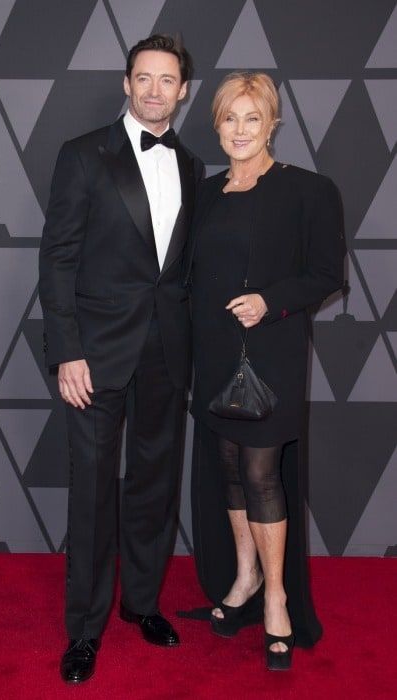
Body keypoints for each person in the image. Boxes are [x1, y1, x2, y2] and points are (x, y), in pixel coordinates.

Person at [39, 34, 203, 684]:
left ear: (183, 89)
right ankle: (85, 629)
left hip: (166, 350)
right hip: (96, 356)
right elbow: (57, 259)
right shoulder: (83, 156)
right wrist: (67, 351)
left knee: (154, 488)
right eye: (144, 78)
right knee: (93, 495)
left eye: (168, 80)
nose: (155, 90)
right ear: (127, 83)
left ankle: (141, 603)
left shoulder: (190, 165)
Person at [185, 72, 344, 670]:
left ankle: (276, 597)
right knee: (227, 466)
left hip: (270, 348)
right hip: (215, 350)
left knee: (260, 471)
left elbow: (326, 273)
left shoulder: (308, 189)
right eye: (231, 118)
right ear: (217, 124)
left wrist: (269, 300)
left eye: (254, 118)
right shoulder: (204, 193)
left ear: (272, 122)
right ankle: (245, 576)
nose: (241, 130)